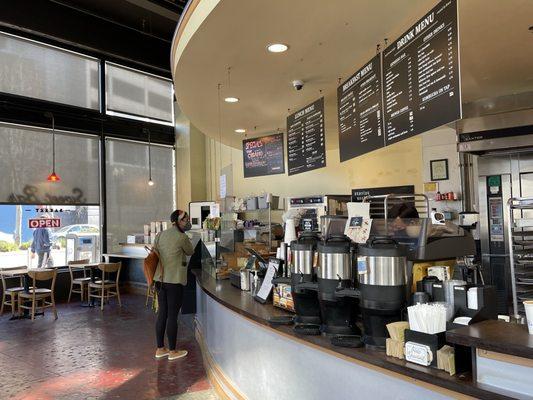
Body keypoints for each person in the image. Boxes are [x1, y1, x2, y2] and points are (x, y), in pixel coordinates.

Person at [153, 209, 194, 361]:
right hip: (174, 281)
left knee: (162, 313)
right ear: (177, 221)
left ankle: (160, 348)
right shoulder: (182, 237)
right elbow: (190, 251)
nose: (187, 221)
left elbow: (155, 252)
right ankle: (173, 351)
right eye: (185, 219)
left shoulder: (160, 234)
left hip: (159, 279)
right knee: (172, 315)